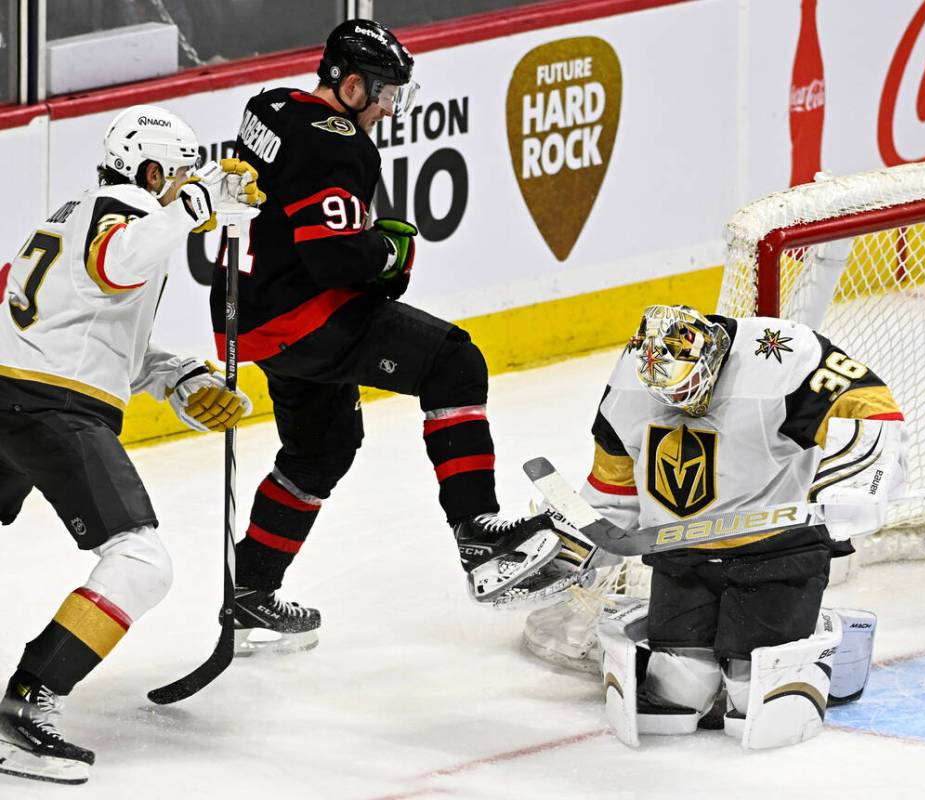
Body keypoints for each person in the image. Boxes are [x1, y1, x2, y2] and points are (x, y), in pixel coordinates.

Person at [209, 19, 566, 654]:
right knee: (453, 362)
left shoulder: (267, 106)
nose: (388, 107)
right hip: (305, 315)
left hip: (248, 317)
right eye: (383, 93)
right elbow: (338, 260)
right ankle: (478, 534)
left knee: (321, 452)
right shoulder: (340, 144)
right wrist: (388, 253)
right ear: (349, 86)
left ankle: (250, 594)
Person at [0, 104, 257, 785]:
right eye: (176, 177)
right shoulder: (120, 211)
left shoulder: (74, 213)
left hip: (14, 393)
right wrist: (197, 205)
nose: (181, 188)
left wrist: (177, 378)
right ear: (150, 173)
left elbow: (100, 335)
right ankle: (26, 706)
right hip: (50, 408)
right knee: (141, 562)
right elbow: (120, 263)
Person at [574, 304, 906, 748]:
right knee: (676, 688)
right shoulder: (634, 379)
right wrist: (575, 546)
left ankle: (825, 645)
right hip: (682, 555)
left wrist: (855, 482)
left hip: (776, 552)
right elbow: (612, 486)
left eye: (690, 388)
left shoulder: (784, 356)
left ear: (712, 357)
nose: (682, 403)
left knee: (760, 698)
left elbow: (871, 409)